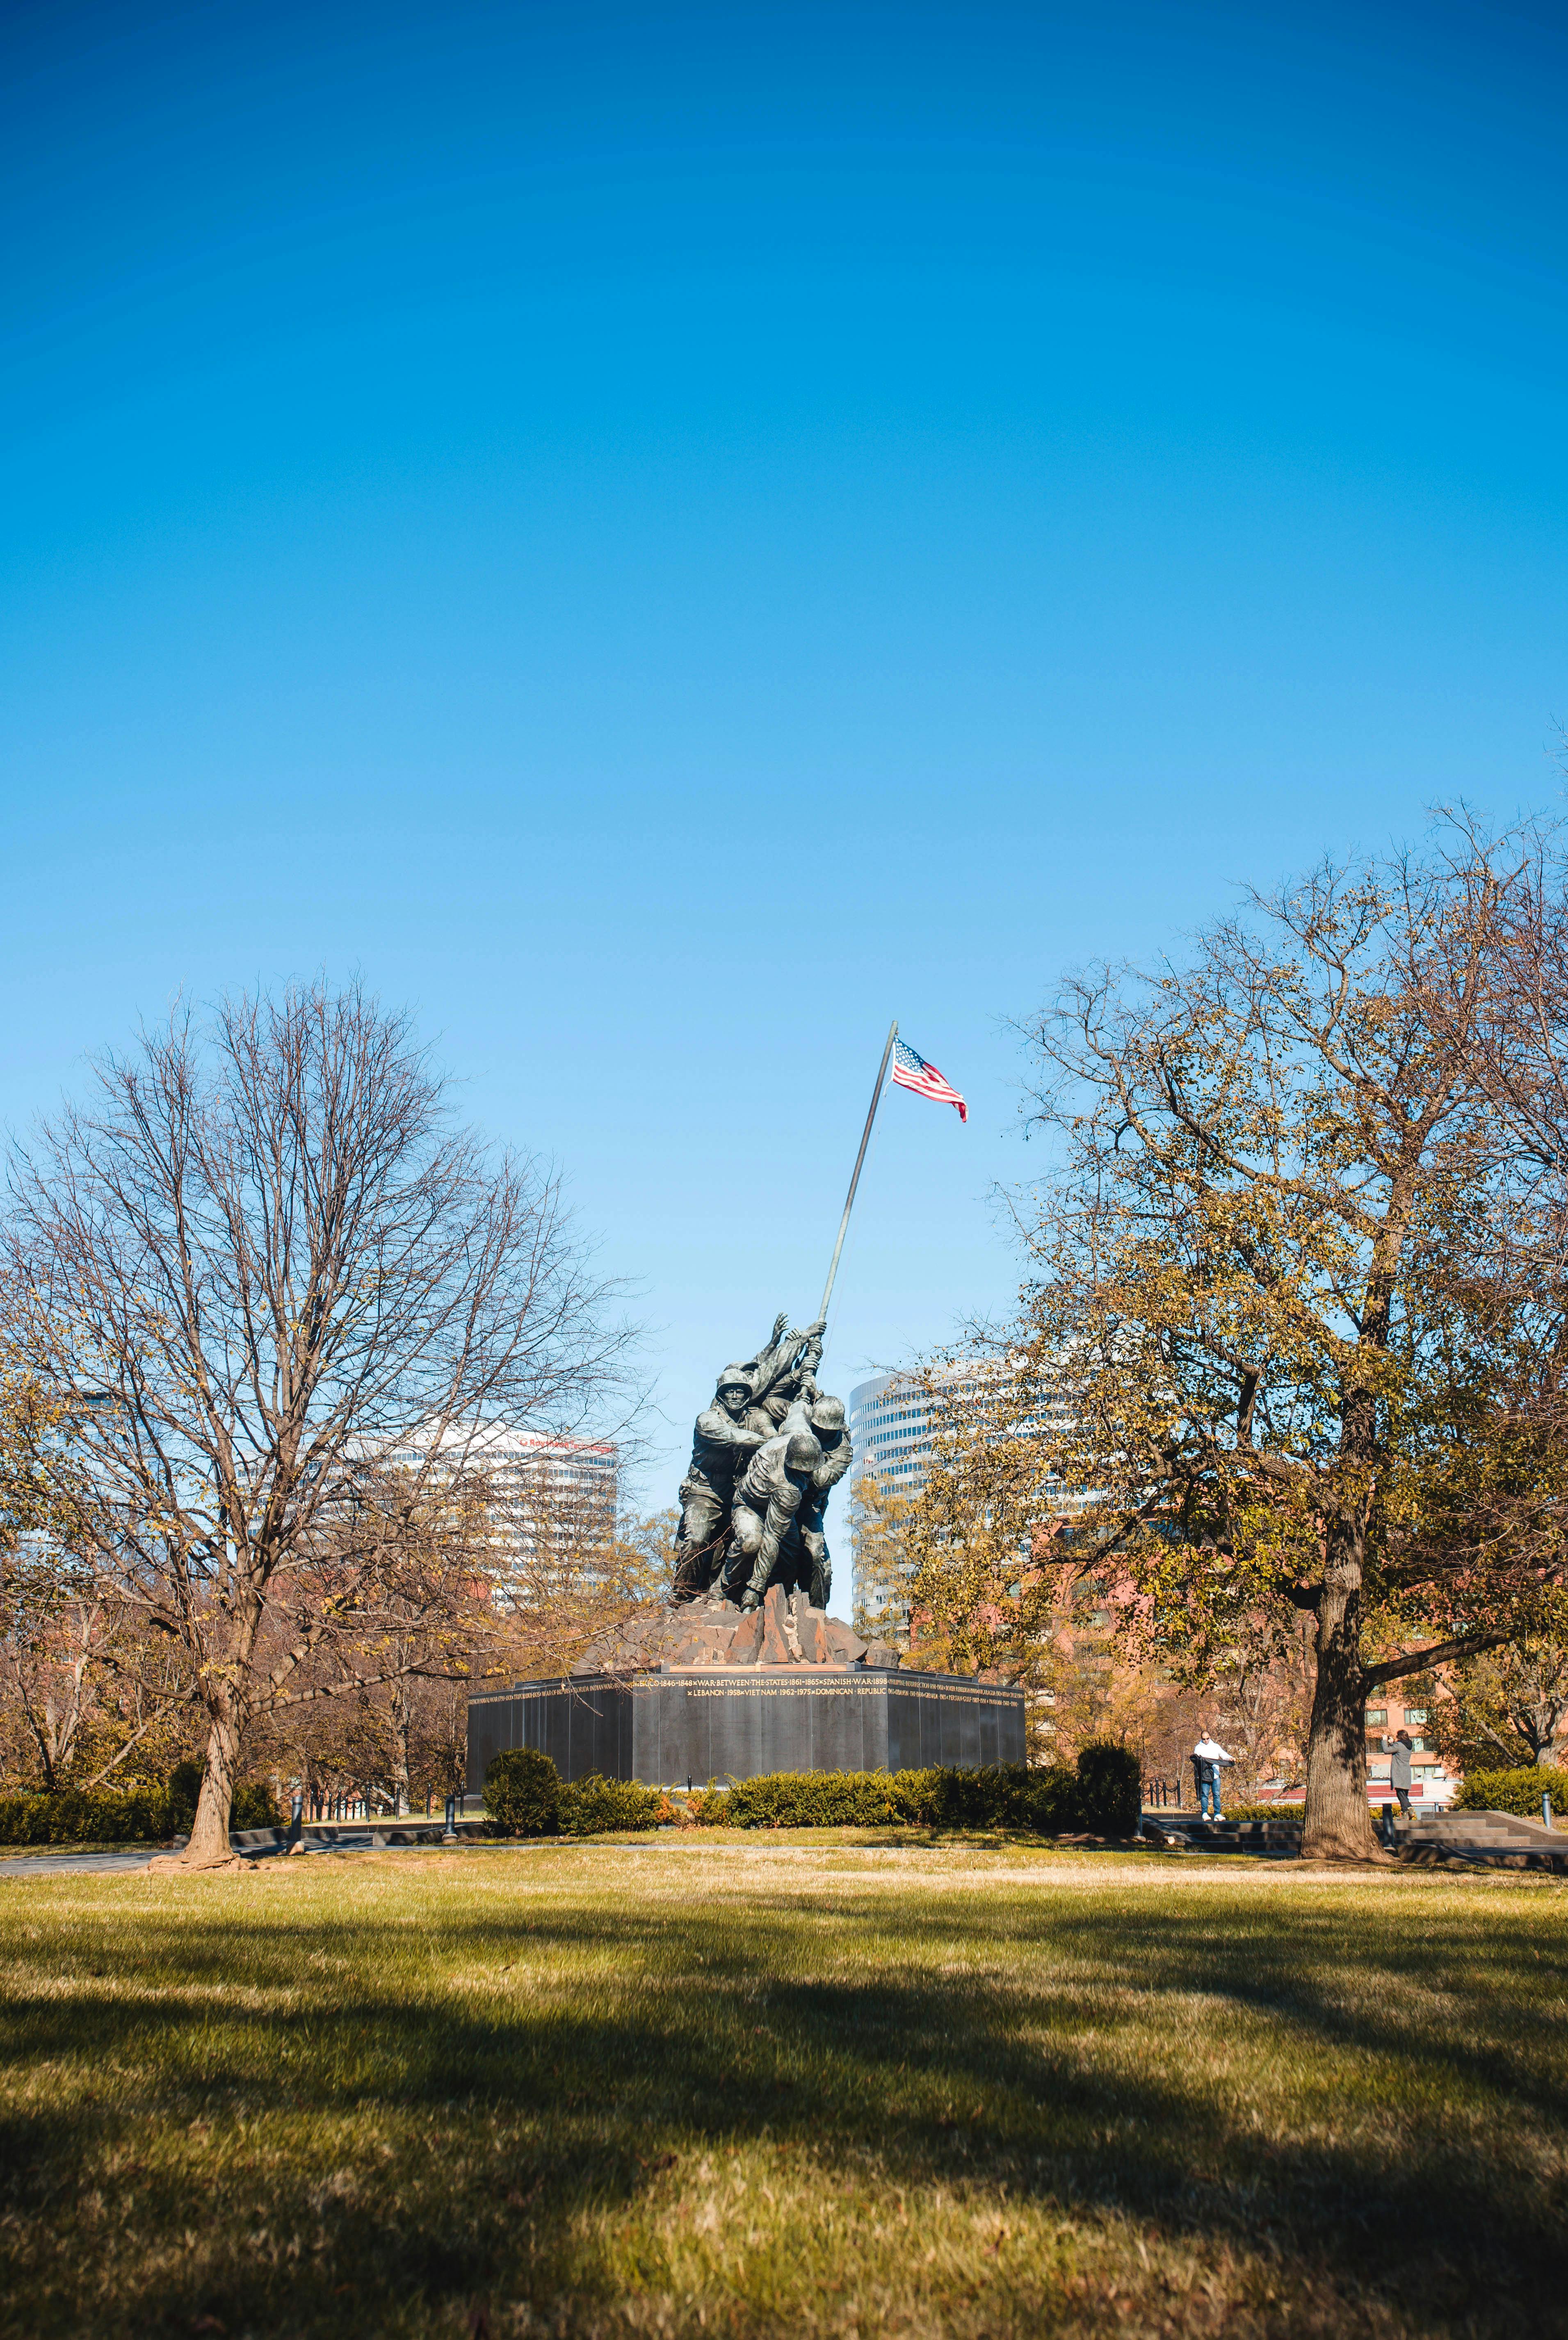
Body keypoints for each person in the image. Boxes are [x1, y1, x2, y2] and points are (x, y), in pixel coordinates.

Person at [1191, 1729, 1236, 1820]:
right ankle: (1205, 1813)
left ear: (1210, 1737)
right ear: (1201, 1739)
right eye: (1204, 1739)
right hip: (1205, 1776)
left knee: (1217, 1795)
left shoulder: (1216, 1747)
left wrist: (1230, 1758)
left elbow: (1223, 1755)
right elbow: (1197, 1762)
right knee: (1205, 1795)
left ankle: (1217, 1814)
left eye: (1207, 1739)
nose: (1206, 1741)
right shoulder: (1198, 1748)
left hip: (1215, 1775)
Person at [1381, 1728, 1415, 1818]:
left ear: (1400, 1737)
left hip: (1399, 1773)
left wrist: (1385, 1741)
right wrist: (1393, 1743)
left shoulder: (1399, 1745)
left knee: (1400, 1793)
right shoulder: (1409, 1746)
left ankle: (1408, 1809)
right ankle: (1407, 1813)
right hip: (1406, 1773)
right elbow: (1399, 1751)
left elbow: (1387, 1751)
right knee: (1404, 1794)